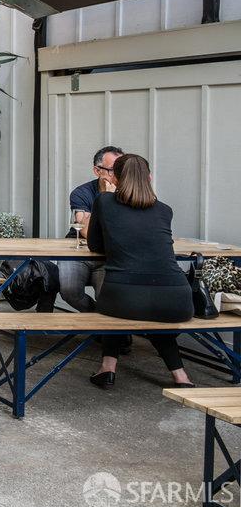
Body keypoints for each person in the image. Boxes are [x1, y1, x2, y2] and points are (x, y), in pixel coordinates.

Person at [86, 154, 194, 390]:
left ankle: (108, 368)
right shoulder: (165, 210)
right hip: (177, 299)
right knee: (151, 307)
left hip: (124, 298)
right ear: (150, 178)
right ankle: (181, 376)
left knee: (123, 308)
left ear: (115, 178)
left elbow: (94, 245)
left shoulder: (104, 201)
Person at [60, 145, 123, 312]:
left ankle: (103, 323)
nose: (118, 175)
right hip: (77, 252)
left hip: (107, 254)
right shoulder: (82, 193)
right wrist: (105, 199)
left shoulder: (127, 193)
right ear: (97, 171)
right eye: (112, 170)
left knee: (107, 295)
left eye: (121, 170)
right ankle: (96, 318)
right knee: (69, 291)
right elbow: (86, 231)